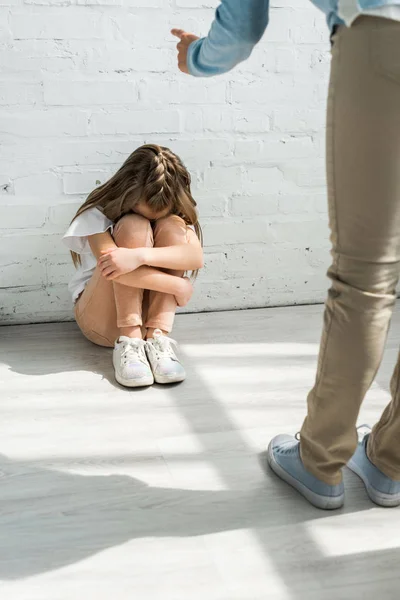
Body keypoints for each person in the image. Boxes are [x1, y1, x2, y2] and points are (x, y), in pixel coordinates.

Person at [172, 1, 400, 509]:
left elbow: (242, 26)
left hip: (383, 36)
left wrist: (197, 57)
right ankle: (391, 461)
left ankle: (320, 462)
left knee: (365, 278)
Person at [63, 144, 203, 388]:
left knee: (172, 225)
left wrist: (138, 256)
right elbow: (112, 267)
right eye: (145, 212)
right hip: (102, 321)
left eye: (155, 217)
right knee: (132, 226)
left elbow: (194, 258)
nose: (152, 222)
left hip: (149, 321)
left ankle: (158, 339)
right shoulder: (97, 214)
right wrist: (177, 285)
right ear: (126, 196)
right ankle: (129, 341)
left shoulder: (172, 213)